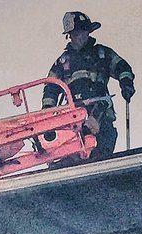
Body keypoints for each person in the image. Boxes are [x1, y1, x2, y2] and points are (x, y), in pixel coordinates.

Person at [42, 12, 135, 160]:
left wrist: (126, 84)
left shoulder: (102, 53)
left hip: (101, 113)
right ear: (70, 36)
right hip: (73, 120)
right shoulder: (62, 62)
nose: (79, 37)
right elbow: (50, 88)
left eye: (82, 32)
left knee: (101, 155)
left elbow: (122, 67)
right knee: (70, 158)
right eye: (75, 34)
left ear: (88, 32)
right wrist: (47, 115)